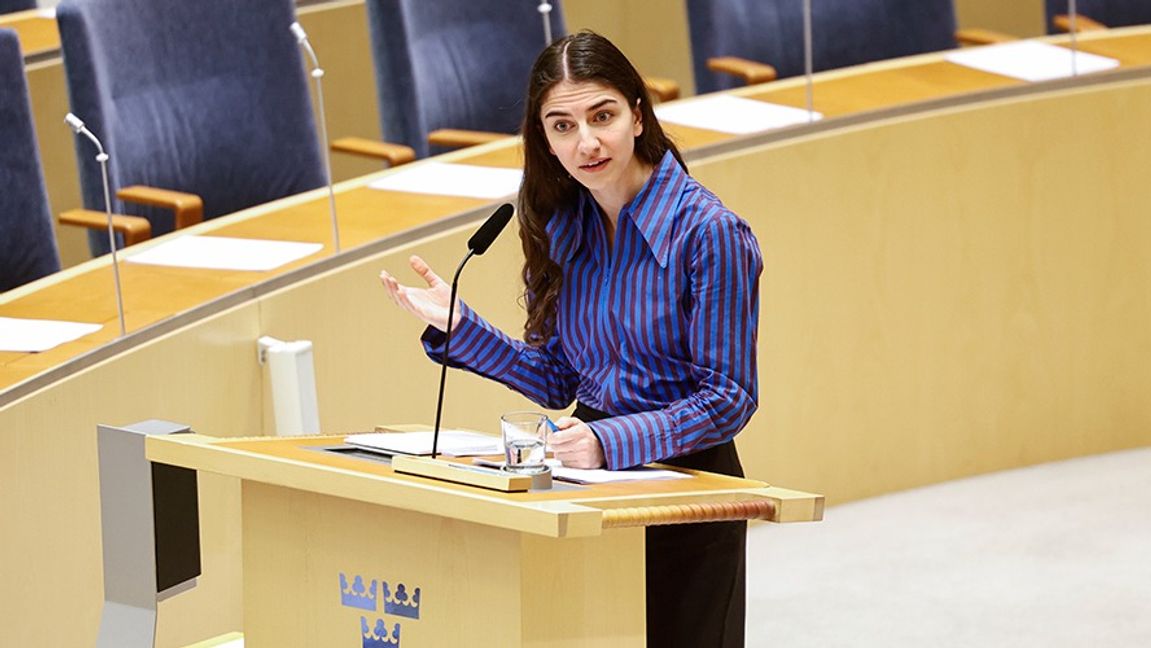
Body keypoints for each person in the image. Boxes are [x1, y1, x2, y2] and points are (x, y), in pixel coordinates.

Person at [379, 30, 762, 648]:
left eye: (602, 116)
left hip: (689, 486)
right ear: (545, 139)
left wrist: (608, 442)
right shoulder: (562, 226)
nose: (586, 142)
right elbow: (560, 379)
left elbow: (729, 399)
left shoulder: (708, 232)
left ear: (638, 115)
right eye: (562, 126)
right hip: (585, 484)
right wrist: (462, 327)